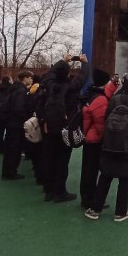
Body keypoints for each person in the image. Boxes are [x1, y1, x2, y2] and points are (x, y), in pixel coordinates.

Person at [86, 74, 128, 222]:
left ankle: (95, 209)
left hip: (110, 143)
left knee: (105, 177)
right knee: (125, 180)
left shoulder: (114, 99)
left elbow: (106, 118)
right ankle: (120, 212)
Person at [38, 55, 88, 202]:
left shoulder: (49, 84)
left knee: (48, 158)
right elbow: (83, 77)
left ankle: (48, 190)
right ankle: (59, 192)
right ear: (67, 74)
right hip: (65, 128)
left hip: (48, 127)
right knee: (62, 160)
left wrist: (63, 61)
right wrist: (84, 63)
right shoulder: (71, 87)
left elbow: (50, 74)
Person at [79, 68, 116, 210]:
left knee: (88, 169)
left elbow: (107, 92)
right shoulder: (100, 100)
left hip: (89, 137)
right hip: (95, 140)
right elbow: (101, 122)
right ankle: (89, 199)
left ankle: (87, 196)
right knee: (91, 171)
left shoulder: (91, 94)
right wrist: (107, 137)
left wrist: (114, 84)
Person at [1, 70, 33, 181]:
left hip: (11, 123)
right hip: (17, 124)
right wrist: (26, 120)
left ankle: (7, 171)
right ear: (24, 78)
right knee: (15, 149)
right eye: (30, 77)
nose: (31, 79)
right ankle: (11, 172)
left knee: (10, 149)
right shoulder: (21, 91)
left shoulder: (13, 89)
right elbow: (19, 108)